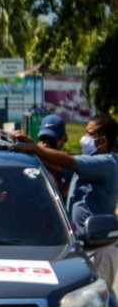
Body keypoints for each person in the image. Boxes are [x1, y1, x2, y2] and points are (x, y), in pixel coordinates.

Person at [12, 114, 118, 294]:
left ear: (102, 141)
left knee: (97, 303)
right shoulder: (88, 163)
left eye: (89, 134)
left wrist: (36, 149)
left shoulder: (107, 163)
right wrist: (30, 147)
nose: (85, 139)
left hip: (99, 249)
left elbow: (67, 161)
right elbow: (56, 165)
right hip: (81, 247)